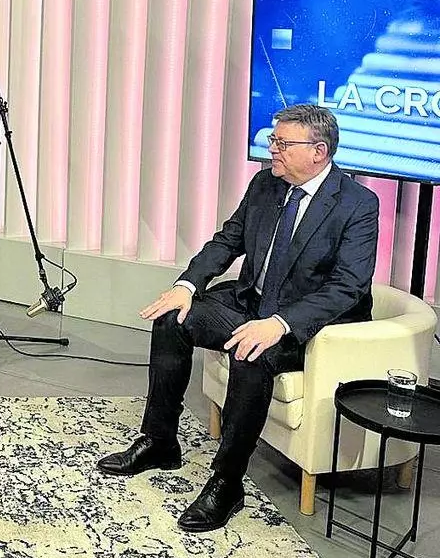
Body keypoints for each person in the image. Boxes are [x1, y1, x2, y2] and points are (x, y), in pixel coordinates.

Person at [97, 104, 379, 532]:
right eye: (273, 140)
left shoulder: (358, 204)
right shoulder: (266, 184)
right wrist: (187, 285)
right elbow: (227, 241)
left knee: (251, 352)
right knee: (172, 319)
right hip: (251, 301)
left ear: (318, 151)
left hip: (306, 324)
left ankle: (227, 483)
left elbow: (348, 287)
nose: (272, 149)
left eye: (282, 143)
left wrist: (280, 323)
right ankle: (159, 441)